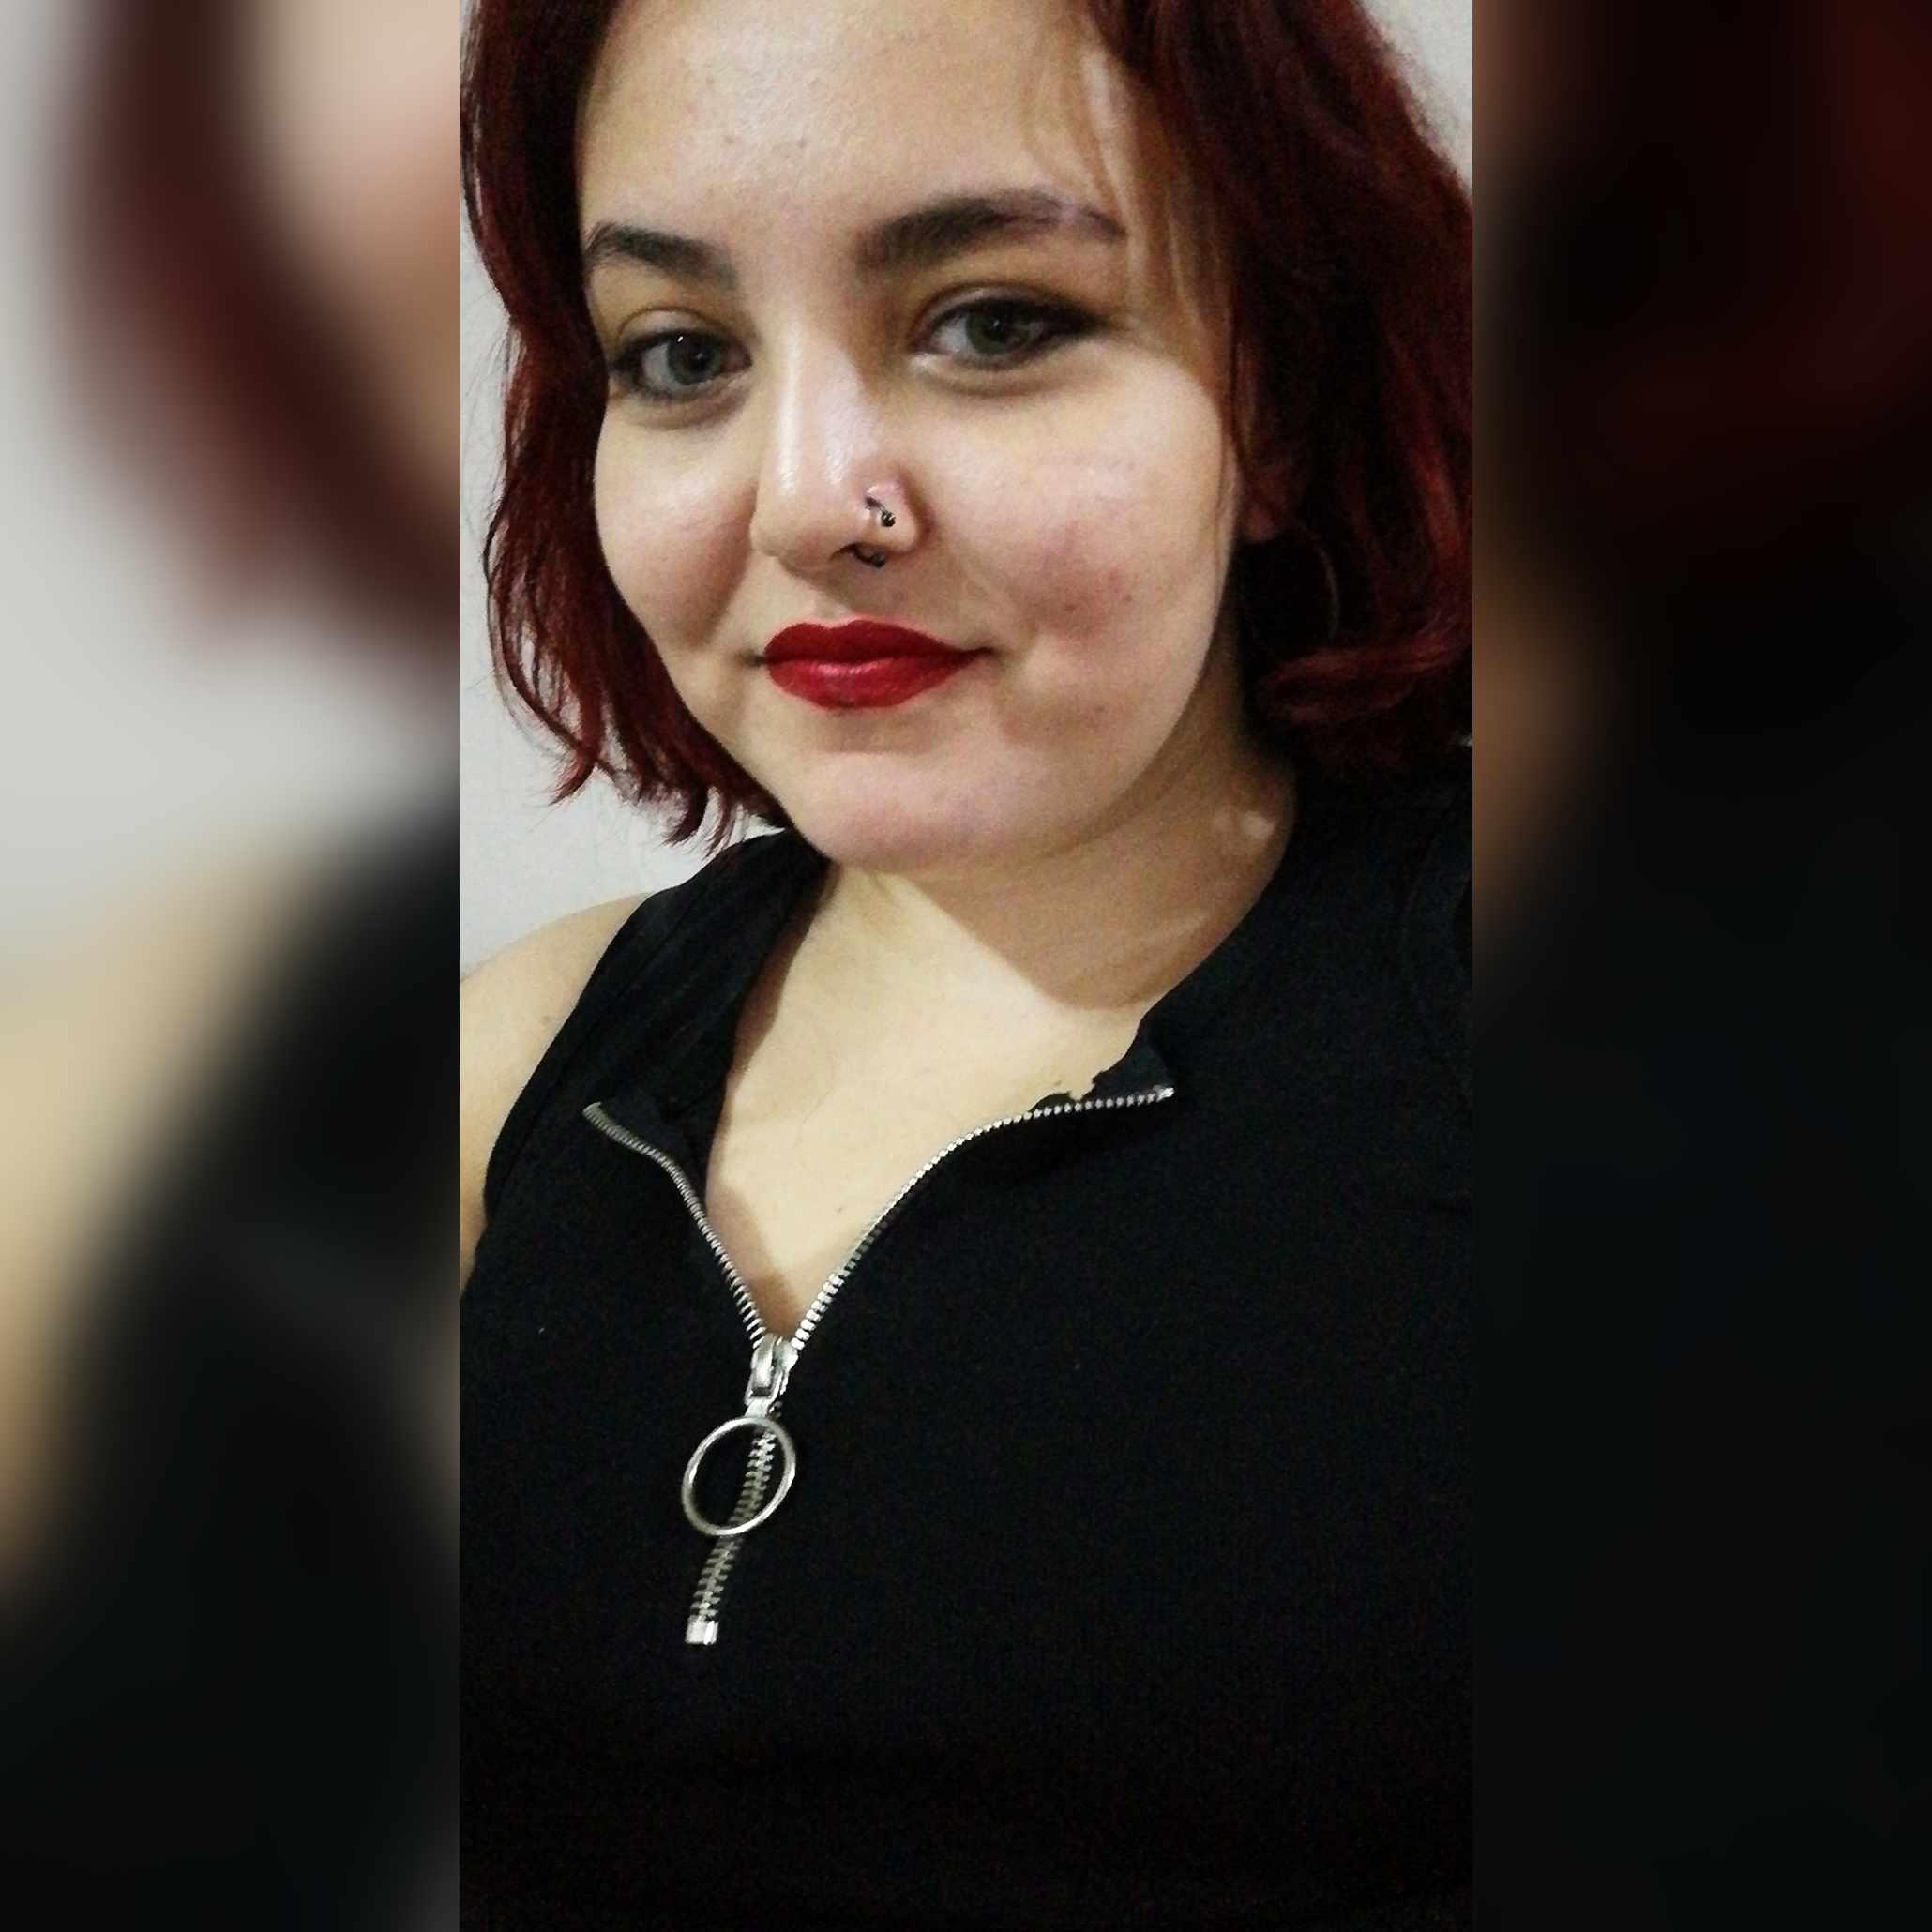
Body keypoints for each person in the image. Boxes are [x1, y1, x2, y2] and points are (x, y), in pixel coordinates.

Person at [459, 0, 1469, 1924]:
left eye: (994, 322)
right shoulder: (517, 1059)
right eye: (682, 354)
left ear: (1273, 402)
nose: (802, 498)